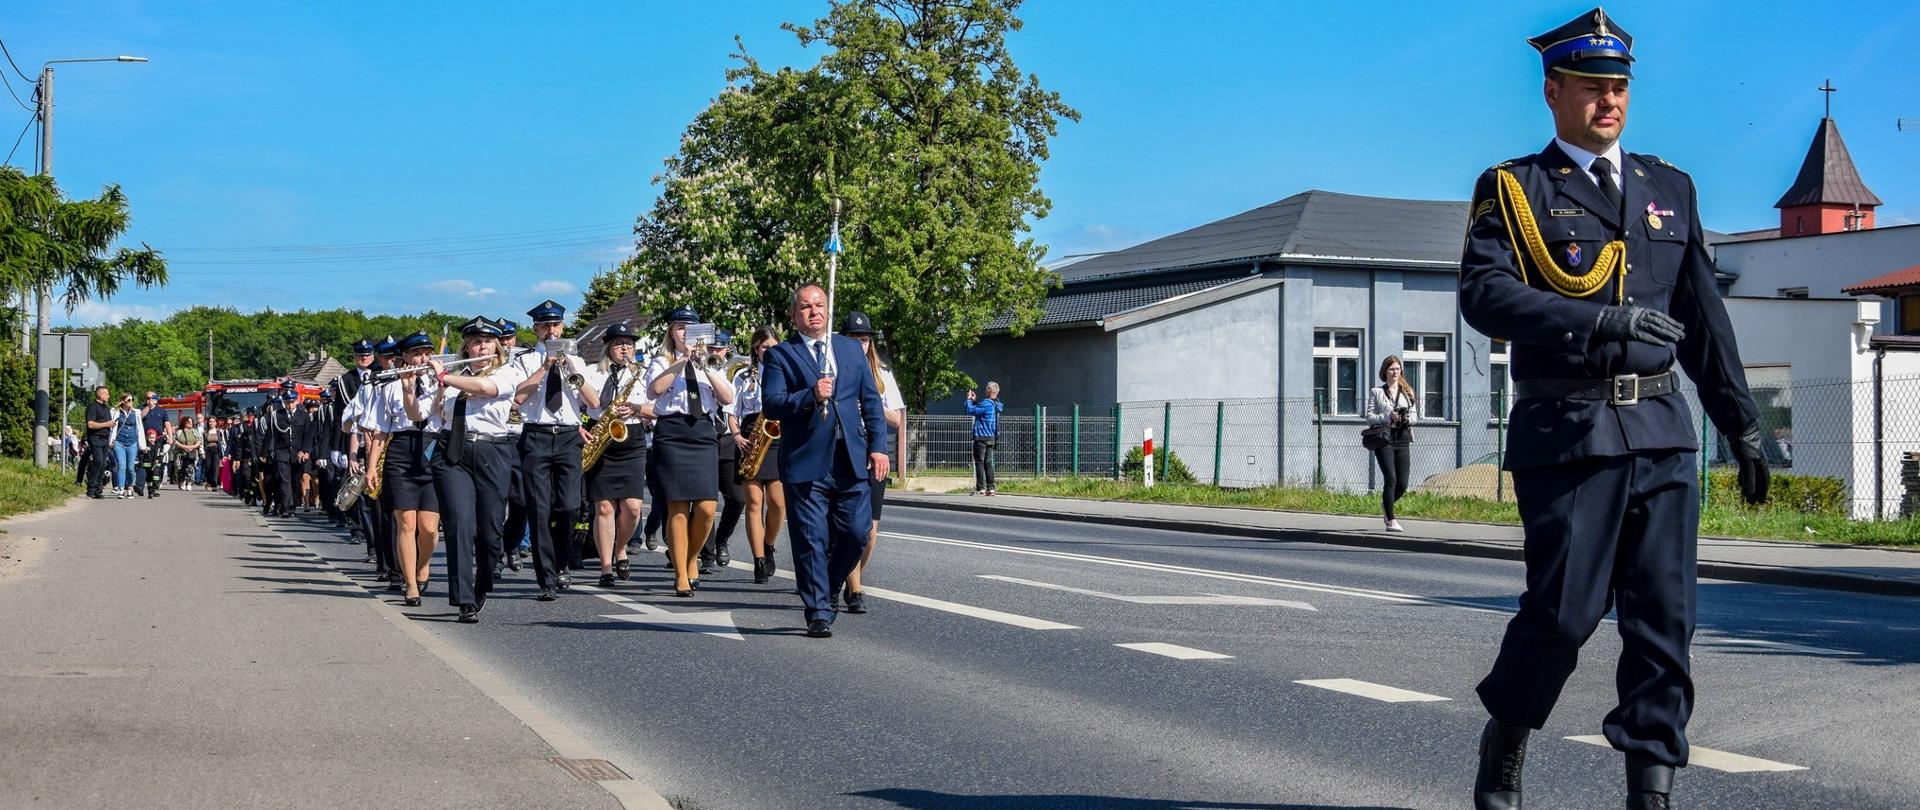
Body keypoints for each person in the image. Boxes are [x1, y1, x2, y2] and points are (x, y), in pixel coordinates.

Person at [1457, 10, 1771, 808]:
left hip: (1662, 433)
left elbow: (1702, 316)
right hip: (1569, 434)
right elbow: (1484, 294)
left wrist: (1740, 422)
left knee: (1665, 626)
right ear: (1553, 91)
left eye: (1620, 88)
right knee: (1563, 617)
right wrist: (1598, 319)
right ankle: (1508, 739)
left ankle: (1651, 791)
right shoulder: (1516, 189)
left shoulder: (1671, 188)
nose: (1610, 103)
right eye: (1594, 88)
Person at [761, 284, 889, 638]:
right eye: (805, 307)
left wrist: (879, 447)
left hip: (850, 457)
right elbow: (772, 403)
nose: (814, 311)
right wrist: (809, 394)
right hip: (806, 459)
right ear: (794, 315)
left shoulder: (849, 349)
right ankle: (818, 609)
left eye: (819, 305)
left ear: (828, 310)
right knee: (811, 538)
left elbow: (871, 403)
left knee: (856, 532)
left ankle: (830, 585)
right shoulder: (781, 355)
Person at [422, 317, 526, 624]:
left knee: (491, 533)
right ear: (466, 346)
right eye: (475, 342)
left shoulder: (508, 371)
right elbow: (434, 416)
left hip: (493, 451)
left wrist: (446, 379)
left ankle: (481, 586)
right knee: (459, 524)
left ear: (496, 346)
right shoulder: (454, 374)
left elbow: (486, 389)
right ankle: (464, 598)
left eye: (486, 342)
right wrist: (434, 389)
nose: (481, 346)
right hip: (453, 451)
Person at [510, 300, 598, 601]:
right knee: (539, 509)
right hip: (535, 434)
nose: (551, 330)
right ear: (535, 329)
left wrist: (572, 368)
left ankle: (561, 560)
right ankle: (546, 578)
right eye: (545, 325)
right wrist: (545, 367)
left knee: (570, 506)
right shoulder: (523, 360)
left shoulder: (578, 360)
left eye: (556, 325)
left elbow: (594, 402)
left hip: (569, 436)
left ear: (563, 327)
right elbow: (518, 398)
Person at [644, 307, 735, 597]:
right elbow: (653, 391)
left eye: (692, 329)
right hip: (672, 432)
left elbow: (727, 397)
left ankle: (692, 556)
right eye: (681, 328)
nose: (686, 333)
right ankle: (681, 574)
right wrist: (681, 362)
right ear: (672, 331)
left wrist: (704, 365)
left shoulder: (709, 362)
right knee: (678, 508)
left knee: (707, 508)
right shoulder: (661, 361)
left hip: (703, 432)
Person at [840, 311, 905, 614]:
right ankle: (854, 588)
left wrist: (873, 403)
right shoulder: (835, 368)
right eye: (855, 339)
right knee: (850, 524)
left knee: (870, 529)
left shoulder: (882, 373)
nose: (861, 345)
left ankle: (851, 574)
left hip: (873, 452)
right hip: (844, 451)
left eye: (865, 340)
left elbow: (897, 419)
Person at [582, 321, 652, 588]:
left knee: (633, 508)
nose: (625, 348)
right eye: (620, 343)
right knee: (604, 507)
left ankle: (620, 547)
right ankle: (606, 567)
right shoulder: (592, 373)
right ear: (608, 347)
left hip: (631, 438)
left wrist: (636, 408)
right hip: (601, 437)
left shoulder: (643, 374)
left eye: (629, 344)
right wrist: (579, 427)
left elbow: (657, 408)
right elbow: (576, 405)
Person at [377, 332, 445, 606]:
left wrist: (441, 383)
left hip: (431, 447)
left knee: (429, 528)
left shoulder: (441, 382)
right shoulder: (390, 387)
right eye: (416, 354)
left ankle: (423, 566)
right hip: (401, 451)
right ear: (403, 357)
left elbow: (438, 412)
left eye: (427, 353)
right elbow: (381, 430)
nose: (422, 359)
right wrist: (372, 468)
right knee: (406, 523)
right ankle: (410, 584)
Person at [731, 326, 788, 583]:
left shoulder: (785, 372)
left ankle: (768, 544)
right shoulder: (743, 375)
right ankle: (758, 560)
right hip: (751, 435)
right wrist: (736, 435)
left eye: (774, 347)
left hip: (776, 435)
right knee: (754, 502)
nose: (770, 351)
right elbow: (732, 411)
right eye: (765, 347)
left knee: (778, 503)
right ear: (756, 349)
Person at [700, 328, 746, 575]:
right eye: (711, 348)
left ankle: (722, 540)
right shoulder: (699, 368)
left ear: (726, 349)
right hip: (704, 437)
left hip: (728, 439)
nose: (714, 352)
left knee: (737, 497)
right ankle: (706, 553)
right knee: (706, 500)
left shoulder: (735, 373)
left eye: (719, 348)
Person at [1365, 356, 1419, 533]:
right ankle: (1391, 519)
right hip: (1385, 439)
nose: (1395, 372)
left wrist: (1406, 418)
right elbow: (1370, 417)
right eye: (1391, 369)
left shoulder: (1407, 391)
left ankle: (1386, 504)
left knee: (1402, 484)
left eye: (1397, 369)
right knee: (1391, 479)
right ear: (1385, 372)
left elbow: (1415, 416)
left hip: (1403, 438)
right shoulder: (1376, 392)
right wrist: (1388, 416)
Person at [966, 382, 1002, 495]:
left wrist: (968, 400)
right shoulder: (998, 405)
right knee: (988, 463)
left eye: (986, 388)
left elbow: (971, 411)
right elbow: (981, 411)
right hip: (992, 437)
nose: (985, 390)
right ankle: (991, 488)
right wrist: (975, 401)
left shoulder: (986, 403)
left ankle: (981, 488)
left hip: (981, 436)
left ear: (990, 390)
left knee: (980, 463)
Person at [82, 386, 114, 498]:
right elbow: (90, 424)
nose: (108, 396)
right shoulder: (92, 407)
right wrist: (106, 424)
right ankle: (90, 489)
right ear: (99, 394)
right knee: (98, 462)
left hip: (105, 439)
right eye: (106, 393)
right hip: (95, 438)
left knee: (103, 464)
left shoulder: (106, 408)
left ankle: (98, 490)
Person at [111, 392, 144, 498]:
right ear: (123, 401)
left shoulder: (136, 412)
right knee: (121, 466)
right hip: (119, 442)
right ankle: (121, 489)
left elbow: (139, 429)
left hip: (132, 442)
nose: (131, 402)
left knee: (130, 467)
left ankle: (130, 488)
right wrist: (111, 440)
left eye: (132, 400)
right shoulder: (116, 412)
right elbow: (112, 427)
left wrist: (142, 445)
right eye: (129, 400)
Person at [171, 415, 203, 491]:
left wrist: (193, 447)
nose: (190, 423)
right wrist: (184, 447)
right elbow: (174, 441)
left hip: (192, 453)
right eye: (188, 421)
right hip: (180, 453)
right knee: (180, 468)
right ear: (184, 422)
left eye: (191, 422)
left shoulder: (195, 432)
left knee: (190, 468)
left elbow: (199, 441)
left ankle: (189, 483)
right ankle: (182, 482)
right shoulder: (179, 432)